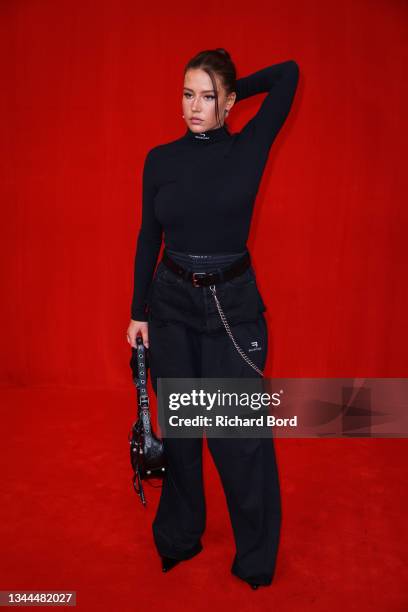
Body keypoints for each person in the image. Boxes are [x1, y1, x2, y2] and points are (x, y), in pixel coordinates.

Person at [127, 48, 299, 590]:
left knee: (237, 434)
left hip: (231, 307)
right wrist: (138, 314)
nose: (194, 106)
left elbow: (288, 75)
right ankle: (180, 535)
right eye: (187, 94)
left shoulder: (249, 146)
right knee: (181, 430)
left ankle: (255, 557)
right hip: (172, 301)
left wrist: (230, 89)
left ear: (224, 103)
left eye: (206, 96)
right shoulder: (160, 159)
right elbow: (147, 238)